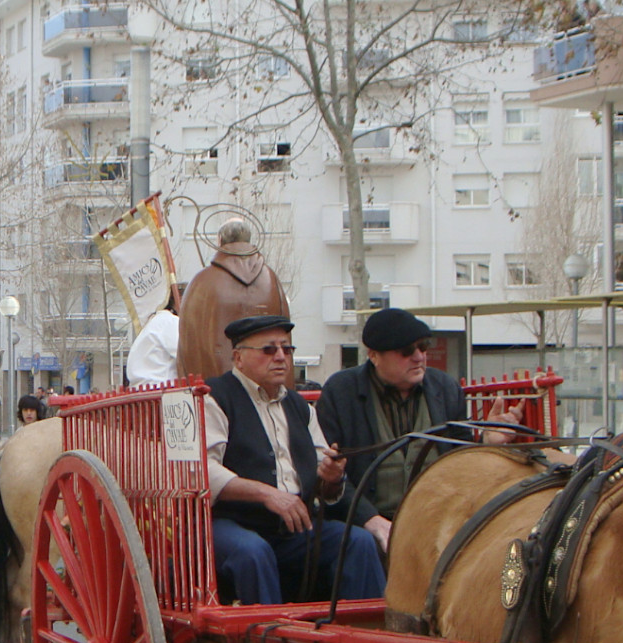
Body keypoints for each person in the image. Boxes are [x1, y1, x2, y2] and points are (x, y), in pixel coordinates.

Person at [205, 314, 387, 605]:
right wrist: (266, 494)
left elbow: (322, 473)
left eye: (286, 349)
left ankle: (367, 636)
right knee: (253, 551)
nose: (280, 357)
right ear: (238, 358)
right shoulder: (215, 398)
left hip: (292, 527)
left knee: (357, 541)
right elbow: (202, 469)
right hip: (231, 521)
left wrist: (331, 478)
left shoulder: (300, 407)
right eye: (269, 350)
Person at [317, 308, 523, 553]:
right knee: (361, 547)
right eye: (406, 351)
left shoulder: (445, 388)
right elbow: (333, 475)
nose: (419, 357)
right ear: (374, 355)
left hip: (438, 521)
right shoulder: (341, 392)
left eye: (423, 347)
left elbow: (462, 462)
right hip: (370, 524)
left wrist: (488, 443)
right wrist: (370, 519)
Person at [177, 217, 291, 382]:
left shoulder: (202, 281)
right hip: (266, 391)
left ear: (220, 241)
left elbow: (187, 347)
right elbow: (285, 336)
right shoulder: (271, 279)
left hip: (214, 394)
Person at [126, 288, 179, 386]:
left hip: (143, 390)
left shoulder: (153, 323)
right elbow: (187, 356)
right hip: (161, 391)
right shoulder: (170, 322)